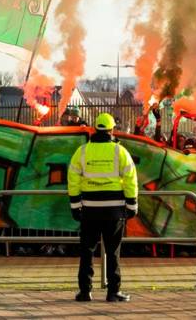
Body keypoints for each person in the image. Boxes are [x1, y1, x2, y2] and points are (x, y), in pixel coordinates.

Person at [68, 112, 137, 303]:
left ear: (94, 129)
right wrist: (132, 205)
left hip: (89, 209)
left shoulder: (82, 151)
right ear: (111, 129)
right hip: (114, 210)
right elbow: (131, 178)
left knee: (87, 250)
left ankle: (84, 292)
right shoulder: (119, 151)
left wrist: (75, 207)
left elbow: (73, 179)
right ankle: (113, 292)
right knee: (113, 251)